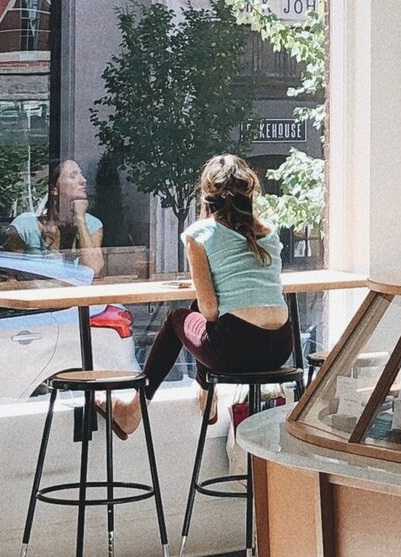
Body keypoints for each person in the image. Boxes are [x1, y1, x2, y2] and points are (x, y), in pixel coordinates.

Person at [104, 154, 293, 437]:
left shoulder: (200, 233)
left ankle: (134, 410)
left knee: (177, 319)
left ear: (207, 196)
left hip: (236, 350)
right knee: (202, 319)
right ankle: (206, 395)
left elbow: (209, 310)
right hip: (279, 348)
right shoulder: (270, 232)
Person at [5, 158, 105, 276]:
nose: (83, 180)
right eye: (73, 176)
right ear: (54, 189)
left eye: (81, 175)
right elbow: (10, 276)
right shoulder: (26, 226)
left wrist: (80, 220)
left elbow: (93, 270)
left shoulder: (92, 225)